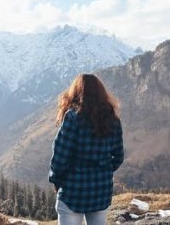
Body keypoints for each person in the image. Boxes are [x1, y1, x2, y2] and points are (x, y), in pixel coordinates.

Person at [49, 73, 124, 225]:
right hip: (100, 191)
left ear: (75, 93)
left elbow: (60, 157)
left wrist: (56, 180)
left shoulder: (73, 117)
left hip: (73, 191)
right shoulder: (113, 120)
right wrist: (103, 170)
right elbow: (118, 156)